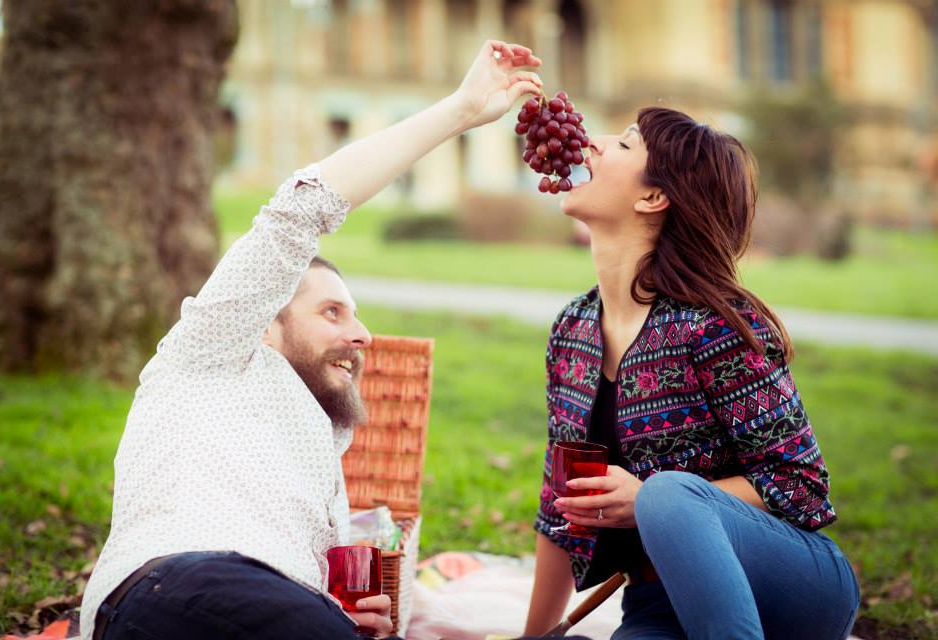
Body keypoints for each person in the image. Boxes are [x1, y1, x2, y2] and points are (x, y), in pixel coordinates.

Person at [78, 40, 543, 640]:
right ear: (264, 319)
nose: (363, 335)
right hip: (173, 589)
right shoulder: (208, 355)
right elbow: (300, 208)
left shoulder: (320, 449)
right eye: (332, 311)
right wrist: (460, 110)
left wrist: (336, 611)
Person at [523, 108, 860, 640]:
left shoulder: (713, 325)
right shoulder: (573, 330)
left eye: (626, 144)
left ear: (653, 198)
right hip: (657, 606)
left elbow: (802, 485)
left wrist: (650, 500)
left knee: (667, 494)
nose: (593, 142)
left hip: (792, 589)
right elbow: (559, 511)